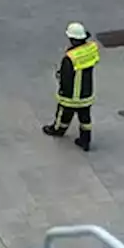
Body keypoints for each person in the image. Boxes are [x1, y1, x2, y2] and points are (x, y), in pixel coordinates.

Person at [42, 22, 100, 152]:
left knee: (63, 113)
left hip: (72, 95)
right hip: (86, 93)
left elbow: (66, 77)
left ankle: (58, 129)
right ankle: (85, 140)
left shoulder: (70, 58)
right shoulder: (91, 49)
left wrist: (62, 90)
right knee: (85, 118)